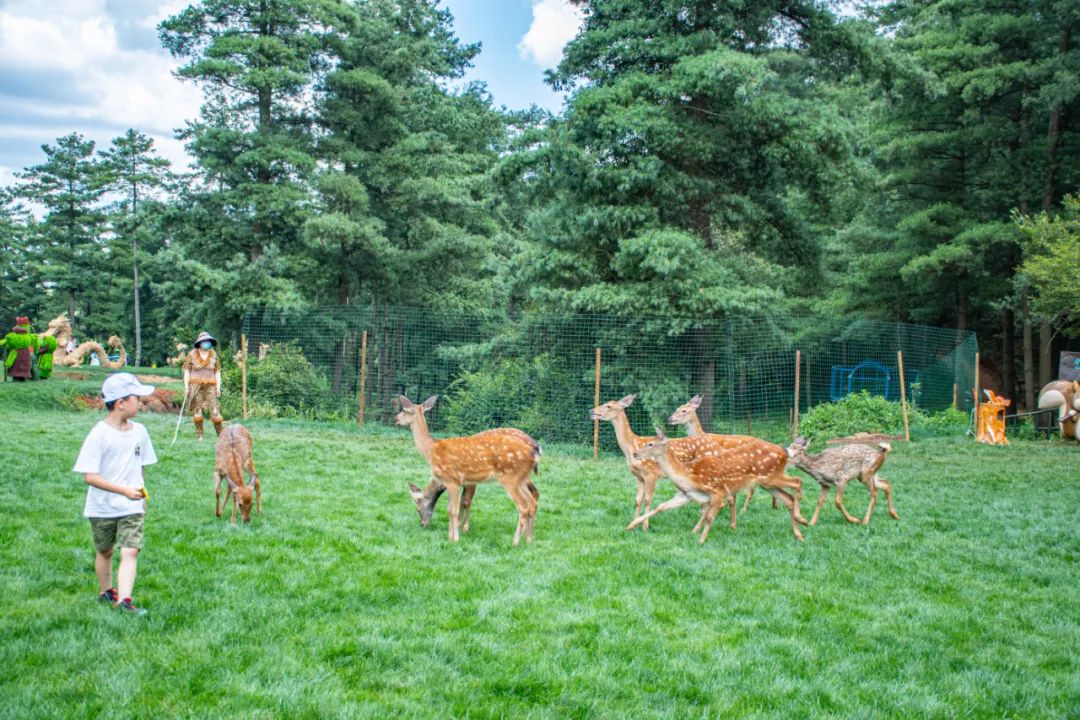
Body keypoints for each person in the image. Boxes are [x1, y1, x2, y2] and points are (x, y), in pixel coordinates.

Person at [72, 373, 157, 615]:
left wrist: (140, 495)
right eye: (137, 398)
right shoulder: (99, 435)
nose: (140, 403)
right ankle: (106, 591)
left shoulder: (140, 431)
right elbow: (89, 476)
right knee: (105, 551)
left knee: (130, 550)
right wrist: (123, 491)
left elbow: (141, 467)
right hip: (102, 506)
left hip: (132, 505)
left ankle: (125, 601)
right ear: (121, 403)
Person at [182, 331, 223, 440]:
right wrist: (186, 386)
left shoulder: (214, 354)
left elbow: (217, 371)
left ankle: (221, 435)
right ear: (199, 343)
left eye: (208, 341)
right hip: (195, 386)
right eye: (204, 341)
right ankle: (200, 436)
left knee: (215, 411)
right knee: (197, 410)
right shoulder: (192, 354)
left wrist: (218, 387)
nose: (206, 343)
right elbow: (187, 371)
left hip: (211, 386)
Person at [4, 316, 36, 382]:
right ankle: (25, 377)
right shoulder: (28, 334)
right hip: (27, 352)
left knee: (16, 365)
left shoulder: (14, 335)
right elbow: (34, 342)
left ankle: (16, 378)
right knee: (26, 365)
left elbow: (9, 344)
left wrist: (8, 347)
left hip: (18, 352)